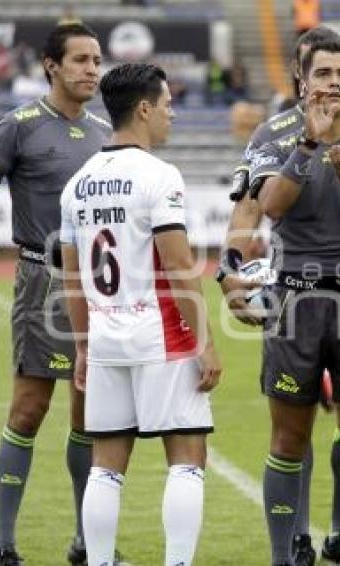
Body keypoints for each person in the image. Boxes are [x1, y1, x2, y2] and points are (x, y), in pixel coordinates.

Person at [217, 26, 340, 565]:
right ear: (302, 81)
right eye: (323, 74)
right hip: (294, 299)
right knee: (289, 438)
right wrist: (310, 143)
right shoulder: (274, 135)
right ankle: (289, 551)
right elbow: (269, 206)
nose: (334, 83)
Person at [0, 23, 111, 566]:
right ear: (51, 65)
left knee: (90, 417)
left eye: (96, 60)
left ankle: (86, 543)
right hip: (43, 280)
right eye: (80, 59)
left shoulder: (106, 132)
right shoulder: (18, 126)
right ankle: (4, 545)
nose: (91, 70)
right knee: (30, 410)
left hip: (98, 287)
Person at [60, 62, 221, 566]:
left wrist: (84, 347)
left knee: (107, 464)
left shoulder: (78, 183)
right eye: (168, 103)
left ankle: (101, 561)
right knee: (187, 458)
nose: (172, 113)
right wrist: (205, 341)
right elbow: (177, 263)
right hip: (161, 334)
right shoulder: (159, 176)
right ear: (145, 108)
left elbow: (72, 280)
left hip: (106, 339)